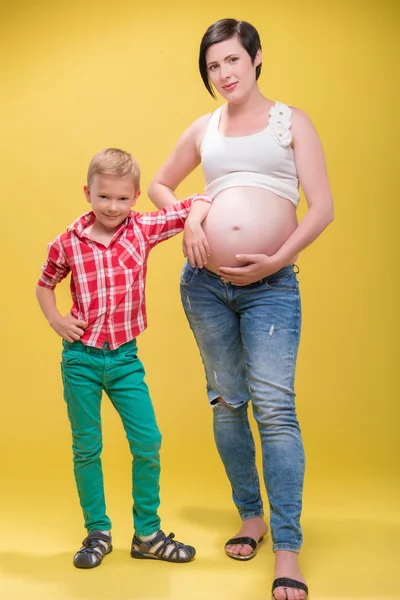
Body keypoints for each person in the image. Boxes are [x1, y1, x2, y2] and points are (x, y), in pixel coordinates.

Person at [148, 18, 334, 600]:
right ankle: (248, 516)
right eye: (212, 66)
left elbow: (322, 207)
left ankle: (286, 548)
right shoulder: (206, 128)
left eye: (231, 60)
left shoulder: (291, 122)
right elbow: (160, 186)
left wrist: (276, 258)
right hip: (204, 286)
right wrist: (195, 214)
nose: (223, 73)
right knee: (228, 403)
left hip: (272, 286)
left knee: (275, 411)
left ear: (255, 58)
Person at [36, 148, 212, 569]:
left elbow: (203, 199)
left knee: (148, 440)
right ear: (88, 193)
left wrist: (191, 226)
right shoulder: (68, 240)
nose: (112, 208)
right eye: (103, 197)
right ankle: (97, 531)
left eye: (121, 198)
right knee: (87, 447)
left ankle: (147, 533)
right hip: (80, 360)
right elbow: (44, 284)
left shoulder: (143, 227)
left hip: (124, 359)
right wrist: (58, 321)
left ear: (135, 197)